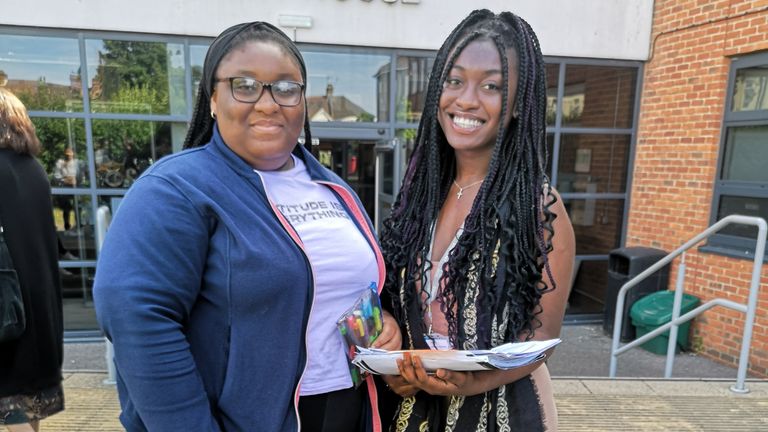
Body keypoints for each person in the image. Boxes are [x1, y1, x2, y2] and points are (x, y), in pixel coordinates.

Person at [93, 21, 401, 432]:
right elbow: (137, 319)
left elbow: (341, 292)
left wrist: (384, 327)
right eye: (245, 85)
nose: (269, 103)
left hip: (346, 406)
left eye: (286, 87)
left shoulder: (330, 186)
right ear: (213, 99)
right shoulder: (176, 188)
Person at [378, 9, 576, 431]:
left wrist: (471, 383)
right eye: (454, 80)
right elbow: (393, 303)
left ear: (520, 103)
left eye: (492, 86)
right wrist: (395, 355)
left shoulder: (539, 207)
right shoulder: (418, 198)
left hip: (501, 414)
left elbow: (539, 343)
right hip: (414, 414)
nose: (466, 100)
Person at [0, 88, 65, 431]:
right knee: (27, 407)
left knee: (12, 405)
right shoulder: (34, 170)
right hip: (38, 306)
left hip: (7, 309)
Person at [52, 146, 84, 230]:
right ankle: (67, 224)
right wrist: (65, 180)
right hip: (65, 186)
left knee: (78, 205)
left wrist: (75, 180)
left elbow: (81, 176)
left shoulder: (78, 163)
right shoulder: (60, 162)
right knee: (65, 206)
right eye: (67, 154)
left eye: (70, 154)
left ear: (73, 154)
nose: (68, 156)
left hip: (76, 186)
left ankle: (78, 223)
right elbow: (56, 176)